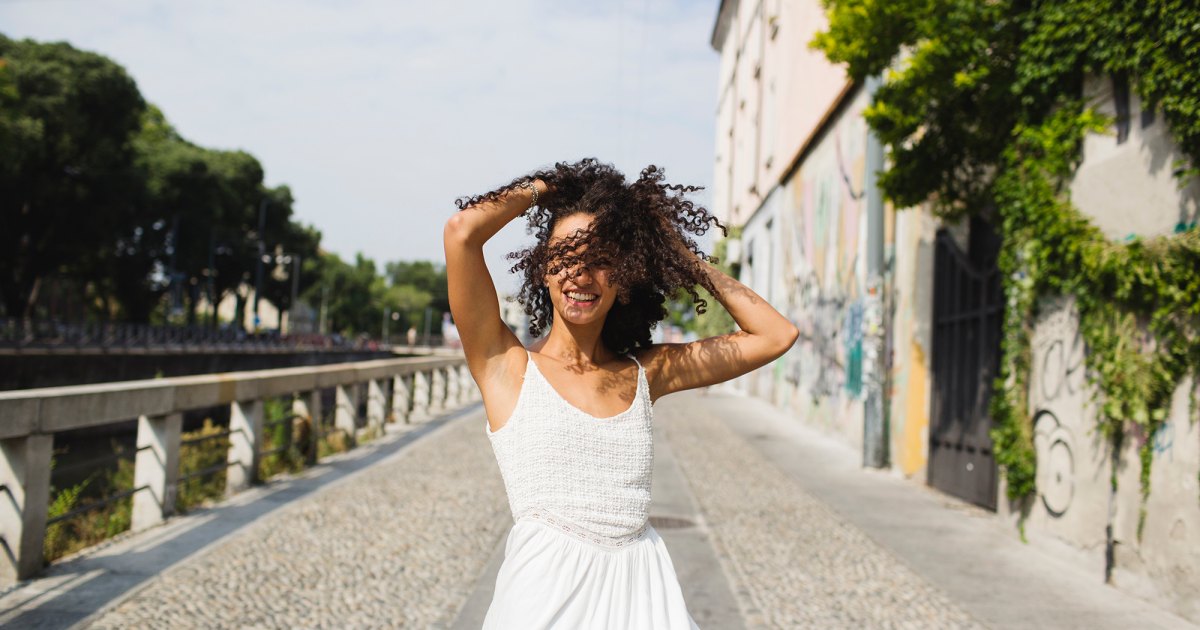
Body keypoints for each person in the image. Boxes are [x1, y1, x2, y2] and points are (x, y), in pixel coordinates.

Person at [444, 158, 798, 629]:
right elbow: (462, 231)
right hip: (539, 607)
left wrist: (682, 259)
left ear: (626, 275)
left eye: (601, 260)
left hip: (644, 603)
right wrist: (551, 188)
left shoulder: (647, 373)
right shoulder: (505, 367)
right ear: (543, 271)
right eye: (565, 256)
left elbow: (775, 335)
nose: (580, 274)